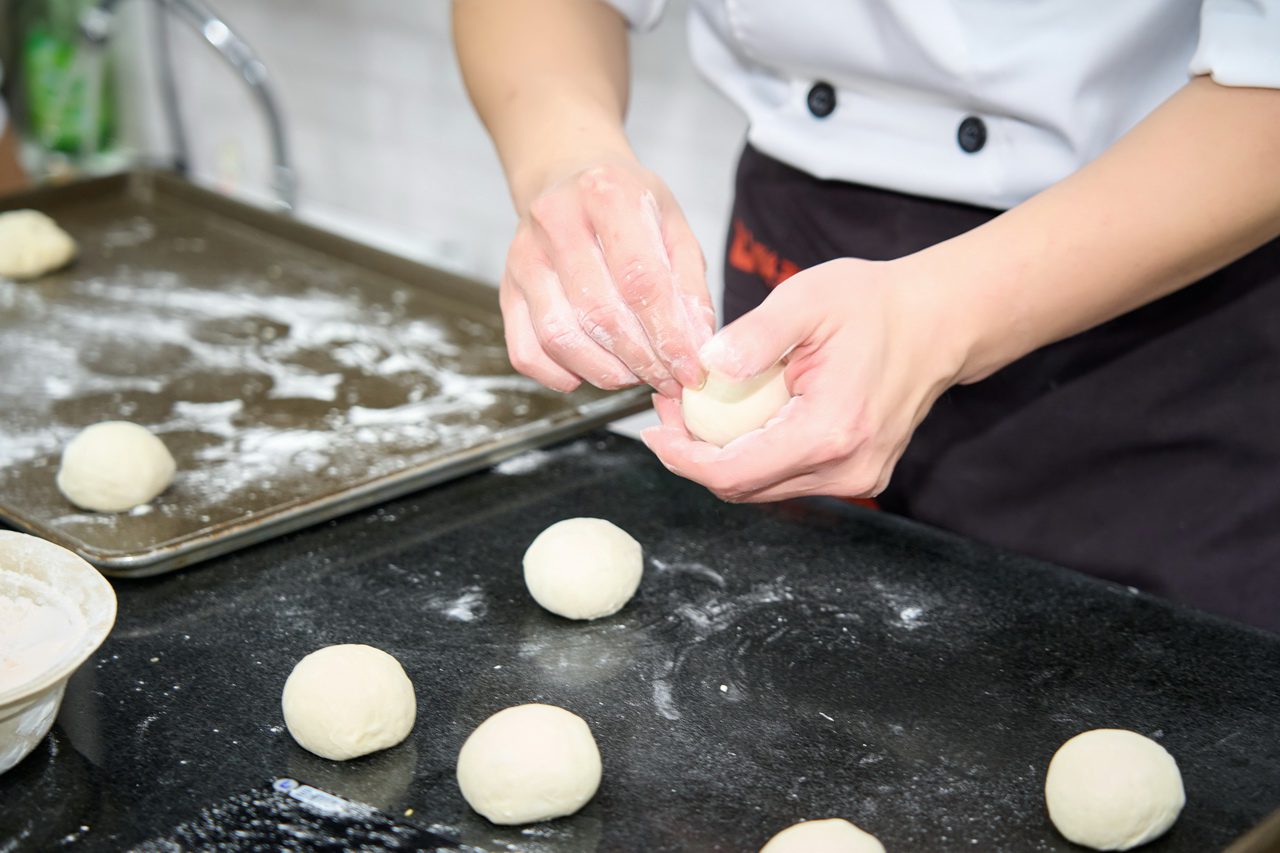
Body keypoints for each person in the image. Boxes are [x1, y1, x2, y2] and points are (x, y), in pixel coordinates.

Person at [453, 0, 1280, 632]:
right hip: (800, 251)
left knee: (1148, 674)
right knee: (785, 653)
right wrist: (568, 161)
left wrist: (939, 312)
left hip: (1151, 256)